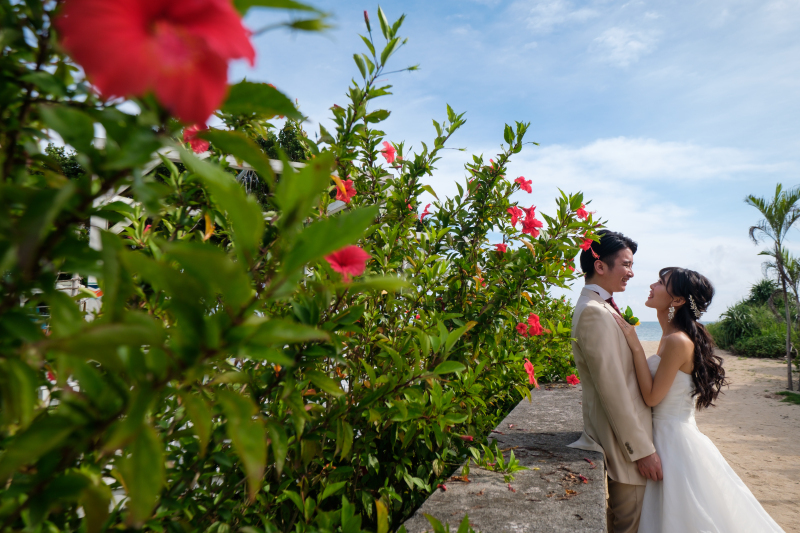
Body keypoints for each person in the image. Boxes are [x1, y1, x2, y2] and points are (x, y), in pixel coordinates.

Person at [611, 267, 785, 532]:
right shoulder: (671, 337)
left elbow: (651, 397)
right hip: (665, 434)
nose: (652, 285)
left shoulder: (678, 341)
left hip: (673, 440)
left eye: (660, 282)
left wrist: (635, 345)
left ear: (678, 300)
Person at [568, 230, 662, 533]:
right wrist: (641, 449)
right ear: (600, 266)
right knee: (628, 524)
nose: (631, 273)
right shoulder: (594, 312)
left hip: (624, 439)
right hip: (625, 446)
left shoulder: (602, 307)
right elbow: (612, 389)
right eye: (626, 264)